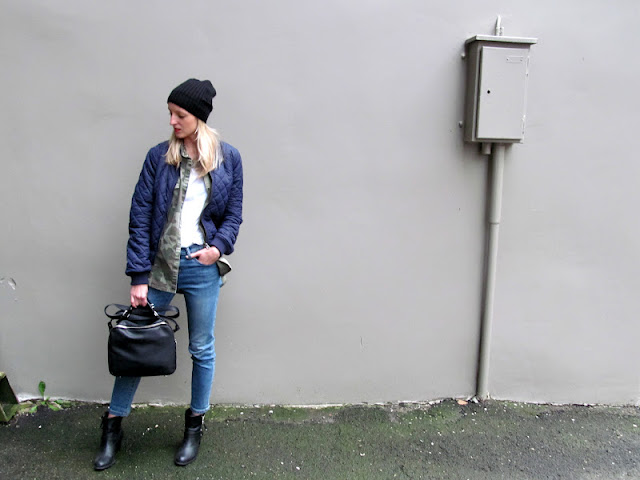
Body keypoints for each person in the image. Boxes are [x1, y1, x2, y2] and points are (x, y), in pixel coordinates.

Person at [94, 78, 243, 470]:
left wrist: (217, 248)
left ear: (199, 117)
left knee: (202, 348)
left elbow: (233, 214)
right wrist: (138, 277)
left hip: (201, 265)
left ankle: (194, 427)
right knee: (136, 343)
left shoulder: (228, 158)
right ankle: (112, 425)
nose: (173, 121)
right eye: (170, 114)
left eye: (180, 115)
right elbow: (140, 216)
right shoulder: (158, 157)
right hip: (161, 264)